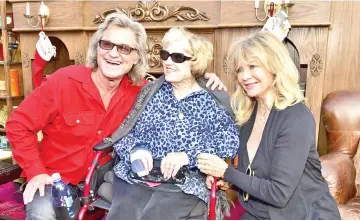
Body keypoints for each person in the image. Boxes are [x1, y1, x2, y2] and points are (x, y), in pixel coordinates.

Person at [5, 13, 224, 220]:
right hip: (53, 179)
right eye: (107, 44)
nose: (113, 53)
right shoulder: (63, 81)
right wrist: (35, 172)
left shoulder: (142, 93)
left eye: (124, 48)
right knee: (43, 213)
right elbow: (18, 125)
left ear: (137, 57)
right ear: (97, 48)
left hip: (103, 182)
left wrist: (202, 78)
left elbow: (179, 86)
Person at [197, 31, 341, 220]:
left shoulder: (296, 118)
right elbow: (255, 176)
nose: (245, 76)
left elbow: (278, 193)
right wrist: (228, 181)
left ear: (274, 67)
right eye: (240, 70)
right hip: (257, 213)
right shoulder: (249, 114)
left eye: (253, 66)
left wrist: (226, 171)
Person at [105, 27, 239, 220]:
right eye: (165, 54)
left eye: (177, 57)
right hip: (139, 177)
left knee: (155, 215)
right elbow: (122, 134)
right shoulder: (149, 92)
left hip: (187, 181)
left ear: (195, 62)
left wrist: (189, 156)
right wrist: (137, 150)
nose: (168, 62)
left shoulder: (212, 99)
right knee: (124, 212)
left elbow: (229, 142)